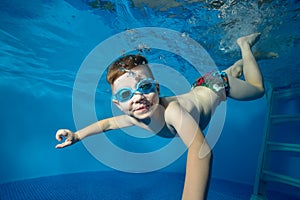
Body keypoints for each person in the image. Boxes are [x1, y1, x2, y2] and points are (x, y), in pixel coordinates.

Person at [56, 33, 267, 199]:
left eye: (145, 87)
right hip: (202, 84)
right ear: (118, 104)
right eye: (126, 94)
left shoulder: (172, 112)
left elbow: (200, 150)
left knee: (257, 89)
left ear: (157, 89)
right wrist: (77, 135)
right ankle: (237, 67)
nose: (138, 97)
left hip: (217, 86)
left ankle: (244, 46)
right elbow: (108, 124)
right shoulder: (134, 117)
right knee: (233, 74)